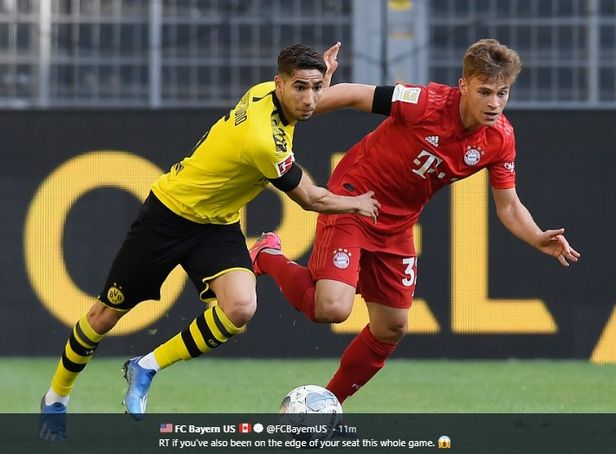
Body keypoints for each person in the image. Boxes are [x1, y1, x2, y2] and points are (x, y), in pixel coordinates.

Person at [38, 43, 380, 441]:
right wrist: (356, 203)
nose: (309, 99)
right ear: (279, 84)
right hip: (167, 216)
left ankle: (145, 366)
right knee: (103, 317)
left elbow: (302, 107)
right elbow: (311, 199)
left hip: (216, 226)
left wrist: (324, 80)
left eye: (317, 88)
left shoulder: (263, 94)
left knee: (240, 307)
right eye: (300, 88)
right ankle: (56, 398)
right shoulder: (262, 140)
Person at [249, 39, 581, 405]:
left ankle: (327, 407)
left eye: (502, 93)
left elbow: (509, 205)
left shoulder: (500, 139)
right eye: (484, 91)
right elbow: (358, 95)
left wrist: (536, 237)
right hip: (356, 199)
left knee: (392, 327)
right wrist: (308, 100)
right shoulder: (425, 103)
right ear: (463, 85)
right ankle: (266, 255)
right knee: (331, 309)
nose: (494, 103)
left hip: (398, 224)